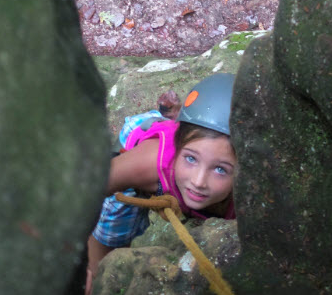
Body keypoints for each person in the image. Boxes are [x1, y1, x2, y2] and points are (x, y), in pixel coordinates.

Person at [85, 73, 237, 294]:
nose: (198, 181)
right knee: (110, 236)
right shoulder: (149, 163)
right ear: (178, 148)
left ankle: (171, 115)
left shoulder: (250, 195)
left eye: (220, 169)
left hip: (179, 138)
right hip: (140, 139)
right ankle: (167, 116)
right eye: (191, 159)